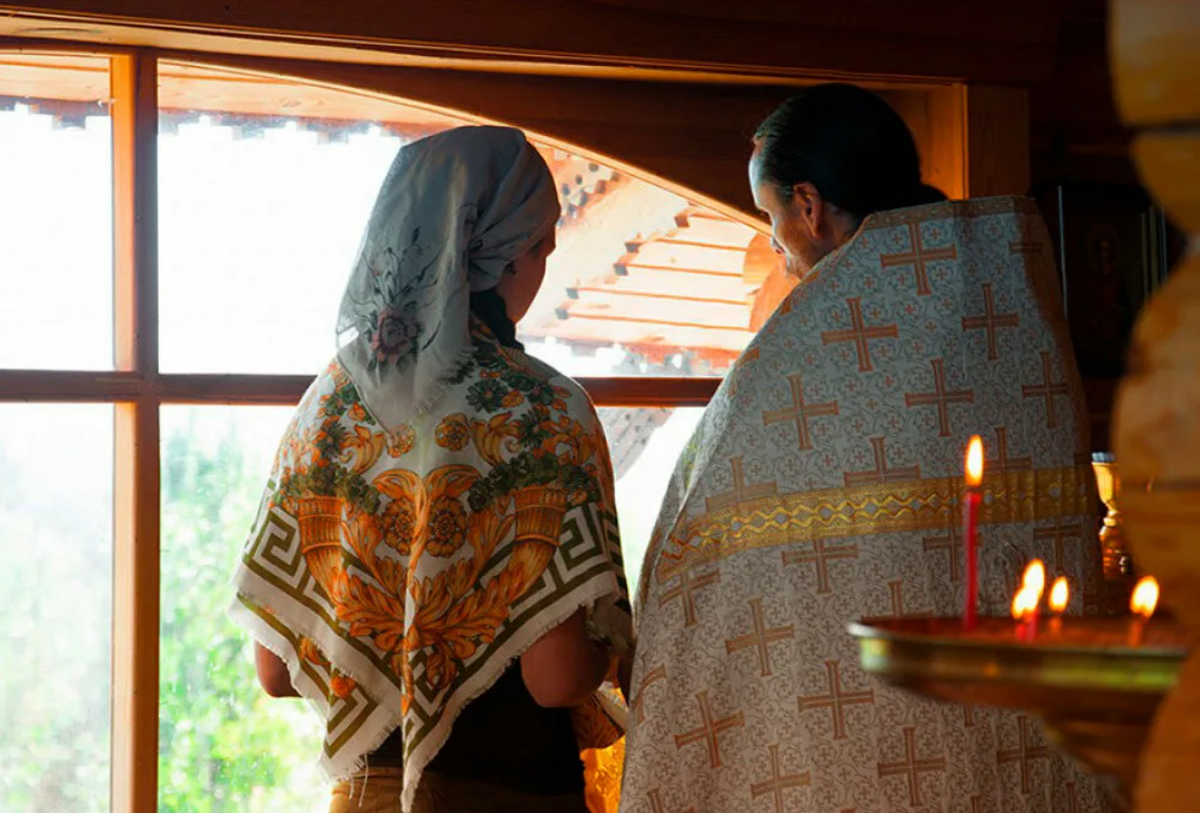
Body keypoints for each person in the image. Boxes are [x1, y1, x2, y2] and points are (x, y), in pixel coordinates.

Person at [619, 84, 1118, 812]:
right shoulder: (1008, 303)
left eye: (770, 219)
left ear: (810, 208)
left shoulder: (797, 363)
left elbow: (702, 559)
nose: (776, 246)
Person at [231, 125, 631, 813]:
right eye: (542, 246)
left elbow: (275, 669)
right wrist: (620, 641)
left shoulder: (328, 405)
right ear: (507, 257)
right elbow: (556, 678)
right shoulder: (543, 409)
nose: (541, 268)